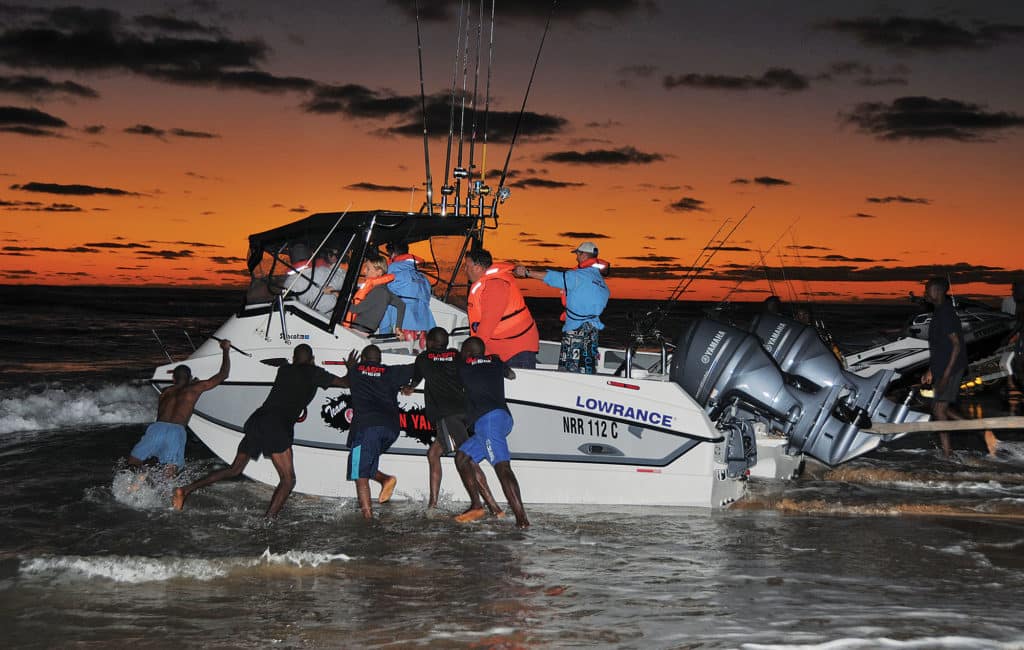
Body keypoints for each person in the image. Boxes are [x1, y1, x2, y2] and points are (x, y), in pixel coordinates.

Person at [172, 343, 346, 517]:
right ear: (312, 359)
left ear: (293, 358)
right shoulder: (314, 372)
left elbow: (297, 372)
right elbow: (345, 383)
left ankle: (185, 490)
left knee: (235, 469)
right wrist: (351, 368)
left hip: (258, 420)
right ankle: (268, 522)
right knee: (288, 480)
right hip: (277, 426)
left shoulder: (284, 370)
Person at [401, 327, 499, 512]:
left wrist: (408, 389)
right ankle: (433, 505)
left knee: (467, 458)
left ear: (429, 342)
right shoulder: (455, 355)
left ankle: (492, 506)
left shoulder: (423, 358)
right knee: (433, 454)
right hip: (465, 412)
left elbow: (413, 383)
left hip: (448, 416)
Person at [453, 336, 529, 528]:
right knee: (463, 457)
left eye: (463, 350)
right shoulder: (495, 361)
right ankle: (478, 506)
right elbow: (511, 375)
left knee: (502, 467)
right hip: (502, 417)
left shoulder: (463, 365)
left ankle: (522, 521)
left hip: (488, 421)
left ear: (468, 353)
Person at [129, 339, 231, 477]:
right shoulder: (194, 389)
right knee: (170, 471)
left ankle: (140, 477)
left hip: (157, 428)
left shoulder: (165, 392)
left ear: (173, 379)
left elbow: (177, 395)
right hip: (176, 431)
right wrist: (225, 349)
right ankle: (165, 494)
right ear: (190, 378)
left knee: (134, 461)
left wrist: (190, 383)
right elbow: (223, 375)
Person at [921, 277, 997, 457]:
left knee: (939, 410)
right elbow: (940, 346)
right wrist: (930, 370)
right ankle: (980, 430)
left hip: (952, 368)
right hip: (943, 366)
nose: (924, 293)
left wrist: (946, 376)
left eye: (928, 290)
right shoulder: (939, 312)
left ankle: (948, 452)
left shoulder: (946, 313)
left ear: (938, 292)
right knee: (940, 409)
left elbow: (956, 345)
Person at [337, 344, 415, 520]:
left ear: (363, 359)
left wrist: (350, 367)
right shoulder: (390, 372)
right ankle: (385, 479)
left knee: (359, 472)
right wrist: (410, 385)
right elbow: (419, 367)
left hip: (366, 427)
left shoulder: (355, 370)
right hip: (391, 429)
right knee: (367, 461)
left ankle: (367, 518)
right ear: (380, 360)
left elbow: (346, 380)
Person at [515, 241, 610, 373]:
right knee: (588, 367)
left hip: (575, 329)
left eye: (577, 254)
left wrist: (526, 272)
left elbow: (553, 277)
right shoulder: (602, 283)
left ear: (583, 255)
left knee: (568, 369)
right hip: (593, 331)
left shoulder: (578, 276)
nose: (576, 257)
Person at [465, 248, 540, 369]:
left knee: (516, 388)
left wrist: (469, 353)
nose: (465, 270)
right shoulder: (485, 283)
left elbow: (487, 324)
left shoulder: (495, 286)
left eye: (467, 266)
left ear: (478, 268)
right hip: (500, 349)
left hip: (516, 350)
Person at [380, 241, 436, 350]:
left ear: (393, 255)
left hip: (401, 329)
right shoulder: (422, 277)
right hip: (423, 328)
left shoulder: (391, 273)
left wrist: (383, 333)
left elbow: (385, 303)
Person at [345, 256, 406, 335]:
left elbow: (355, 309)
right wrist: (398, 328)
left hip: (359, 332)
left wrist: (338, 297)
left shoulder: (378, 291)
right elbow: (401, 305)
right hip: (364, 331)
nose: (364, 271)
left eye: (368, 268)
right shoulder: (384, 290)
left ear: (379, 272)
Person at [298, 248, 346, 314]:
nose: (334, 257)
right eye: (332, 254)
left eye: (337, 255)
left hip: (324, 309)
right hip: (307, 304)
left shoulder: (340, 273)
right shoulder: (317, 265)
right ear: (327, 254)